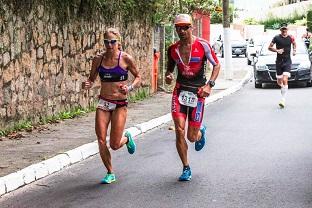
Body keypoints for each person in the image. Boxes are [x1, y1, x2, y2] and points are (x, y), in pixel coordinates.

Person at [165, 14, 221, 181]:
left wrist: (209, 85)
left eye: (185, 27)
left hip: (198, 94)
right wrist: (168, 76)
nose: (182, 31)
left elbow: (216, 65)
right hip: (180, 92)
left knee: (191, 137)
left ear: (192, 27)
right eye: (178, 28)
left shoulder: (203, 45)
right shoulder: (173, 49)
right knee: (179, 130)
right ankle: (186, 167)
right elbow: (169, 70)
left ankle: (200, 133)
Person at [82, 28, 141, 184]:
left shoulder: (126, 59)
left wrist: (129, 88)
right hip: (104, 103)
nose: (109, 45)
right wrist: (88, 83)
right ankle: (110, 172)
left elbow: (138, 77)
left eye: (113, 42)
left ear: (118, 42)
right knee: (101, 139)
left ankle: (126, 139)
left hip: (120, 104)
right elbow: (92, 78)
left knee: (114, 145)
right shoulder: (98, 60)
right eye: (106, 42)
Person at [268, 23, 296, 108]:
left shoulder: (291, 37)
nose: (284, 31)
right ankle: (283, 88)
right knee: (279, 81)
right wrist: (277, 50)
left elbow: (294, 43)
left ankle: (283, 99)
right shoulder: (276, 38)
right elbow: (269, 47)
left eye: (285, 29)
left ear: (287, 30)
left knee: (285, 79)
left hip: (287, 61)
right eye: (283, 29)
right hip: (279, 62)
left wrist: (294, 50)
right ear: (280, 30)